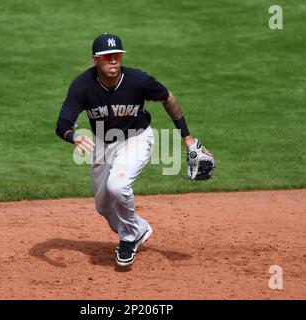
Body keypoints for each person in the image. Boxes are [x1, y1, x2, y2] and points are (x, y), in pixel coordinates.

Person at [55, 33, 213, 267]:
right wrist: (74, 137)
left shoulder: (137, 80)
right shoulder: (82, 85)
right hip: (103, 144)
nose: (113, 61)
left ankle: (128, 238)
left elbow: (168, 98)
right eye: (107, 57)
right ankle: (138, 230)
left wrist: (187, 138)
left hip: (136, 138)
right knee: (103, 207)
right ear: (94, 60)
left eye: (117, 55)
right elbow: (62, 125)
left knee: (117, 186)